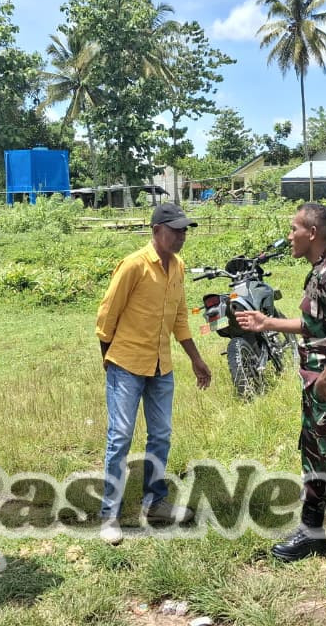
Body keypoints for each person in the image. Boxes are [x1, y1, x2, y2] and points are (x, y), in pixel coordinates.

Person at [236, 202, 326, 593]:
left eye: (294, 228)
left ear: (312, 232)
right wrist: (267, 322)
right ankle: (312, 533)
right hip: (315, 384)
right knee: (314, 455)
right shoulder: (318, 271)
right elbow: (315, 324)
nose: (289, 235)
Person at [94, 202, 212, 545]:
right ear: (157, 230)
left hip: (161, 366)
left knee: (160, 435)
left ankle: (155, 502)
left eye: (184, 231)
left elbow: (179, 318)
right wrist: (109, 359)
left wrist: (196, 359)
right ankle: (109, 515)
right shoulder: (134, 265)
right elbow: (106, 316)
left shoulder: (178, 267)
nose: (181, 236)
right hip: (126, 364)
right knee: (120, 437)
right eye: (176, 231)